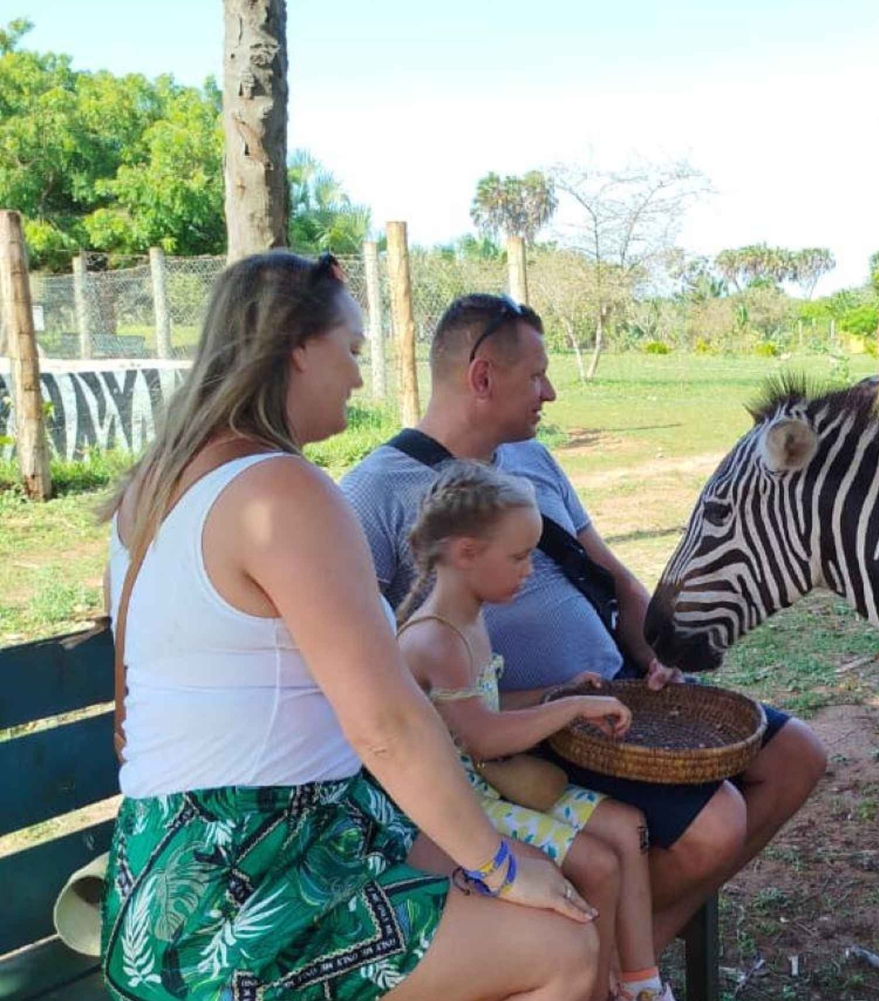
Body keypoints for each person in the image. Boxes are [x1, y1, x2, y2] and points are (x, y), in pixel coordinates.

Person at [100, 252, 597, 1001]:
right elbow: (388, 722)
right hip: (247, 896)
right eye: (353, 350)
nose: (361, 377)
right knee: (562, 942)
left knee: (536, 881)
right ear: (298, 346)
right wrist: (496, 861)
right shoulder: (282, 490)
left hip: (178, 874)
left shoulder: (156, 485)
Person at [341, 293, 827, 951]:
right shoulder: (374, 491)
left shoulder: (533, 460)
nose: (553, 392)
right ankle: (614, 960)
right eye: (536, 375)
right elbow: (359, 659)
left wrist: (651, 651)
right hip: (531, 727)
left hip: (615, 692)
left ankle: (630, 948)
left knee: (799, 754)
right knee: (718, 824)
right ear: (482, 377)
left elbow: (611, 574)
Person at [395, 459, 673, 1001]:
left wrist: (556, 693)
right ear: (466, 553)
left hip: (492, 785)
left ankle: (642, 984)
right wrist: (569, 710)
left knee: (625, 826)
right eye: (520, 556)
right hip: (458, 805)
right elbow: (484, 738)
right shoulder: (437, 639)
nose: (529, 570)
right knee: (596, 862)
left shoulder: (471, 617)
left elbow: (480, 709)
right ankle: (594, 988)